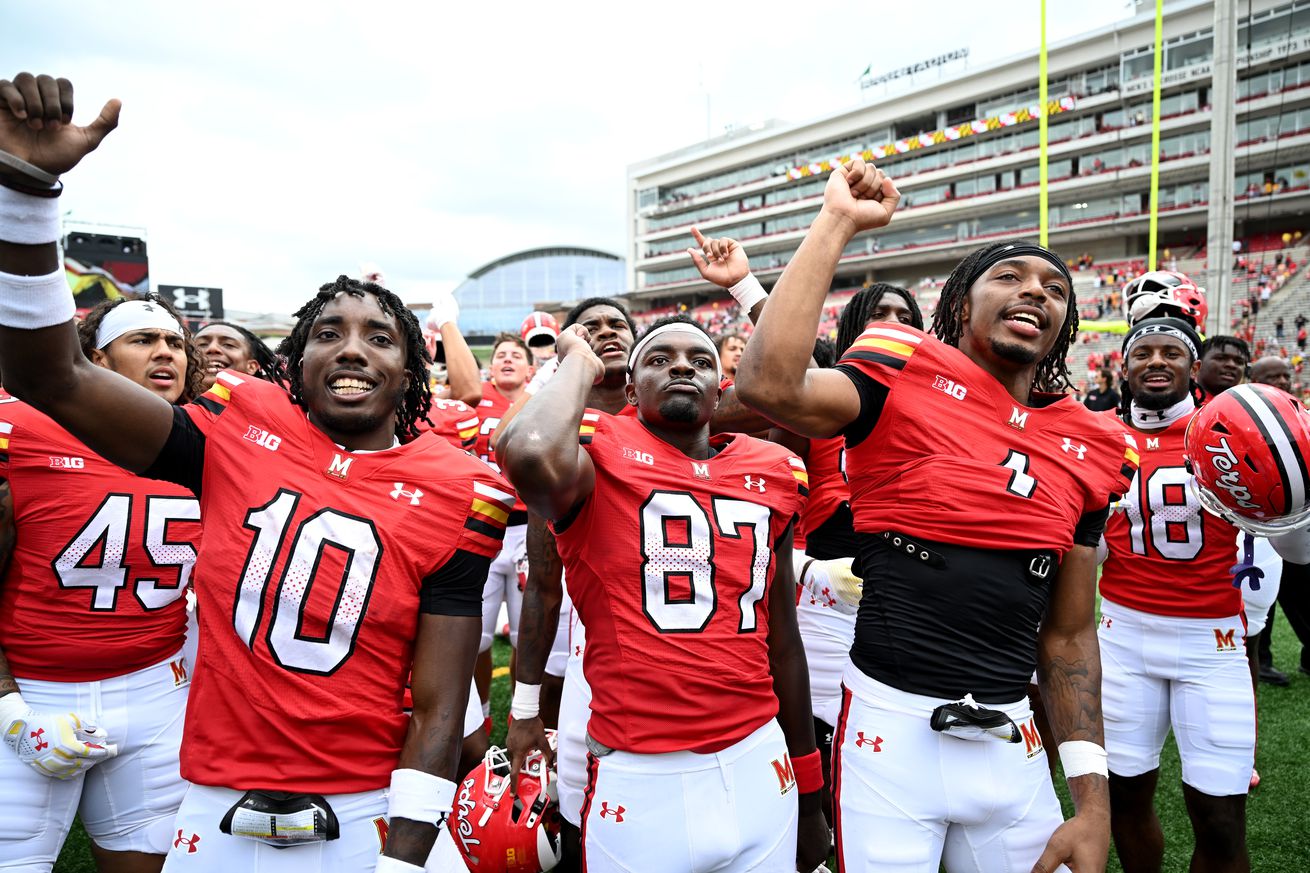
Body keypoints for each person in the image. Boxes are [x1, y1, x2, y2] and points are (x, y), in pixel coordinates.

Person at [0, 72, 505, 873]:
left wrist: (406, 856)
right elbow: (51, 375)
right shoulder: (235, 433)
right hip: (215, 805)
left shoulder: (455, 484)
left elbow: (441, 704)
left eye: (379, 336)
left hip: (367, 805)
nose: (351, 347)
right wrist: (26, 194)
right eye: (329, 331)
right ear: (294, 360)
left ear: (410, 370)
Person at [735, 156, 1136, 873]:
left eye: (1053, 287)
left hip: (1014, 741)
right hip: (890, 729)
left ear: (1066, 321)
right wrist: (837, 221)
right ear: (960, 304)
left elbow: (1071, 636)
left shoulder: (1094, 441)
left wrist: (1093, 801)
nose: (1034, 292)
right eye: (1009, 276)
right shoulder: (903, 365)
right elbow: (768, 382)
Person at [497, 314, 829, 873]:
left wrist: (810, 791)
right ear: (629, 387)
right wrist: (578, 360)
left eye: (700, 361)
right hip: (641, 770)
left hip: (758, 758)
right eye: (659, 358)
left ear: (718, 389)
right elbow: (527, 452)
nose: (681, 366)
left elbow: (784, 643)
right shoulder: (594, 455)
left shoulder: (771, 470)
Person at [0, 293, 204, 873]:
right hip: (32, 691)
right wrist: (7, 709)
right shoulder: (18, 428)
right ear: (96, 360)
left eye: (173, 342)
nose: (165, 353)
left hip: (156, 692)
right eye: (142, 340)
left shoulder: (211, 442)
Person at [1098, 317, 1254, 872]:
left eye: (1171, 352)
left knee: (1220, 821)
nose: (1156, 361)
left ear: (1194, 368)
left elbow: (1297, 546)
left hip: (1211, 643)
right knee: (1125, 799)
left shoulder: (1226, 433)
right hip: (1121, 639)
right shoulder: (1096, 433)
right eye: (1143, 352)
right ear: (1123, 366)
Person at [471, 332, 534, 727]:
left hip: (531, 530)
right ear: (489, 367)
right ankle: (480, 719)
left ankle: (520, 717)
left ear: (532, 369)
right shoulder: (471, 400)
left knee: (525, 637)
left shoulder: (545, 400)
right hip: (484, 526)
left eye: (516, 355)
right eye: (500, 355)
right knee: (474, 635)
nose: (507, 360)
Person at [194, 320, 285, 391]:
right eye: (202, 344)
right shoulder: (180, 413)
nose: (212, 348)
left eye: (228, 345)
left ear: (251, 366)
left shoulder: (276, 411)